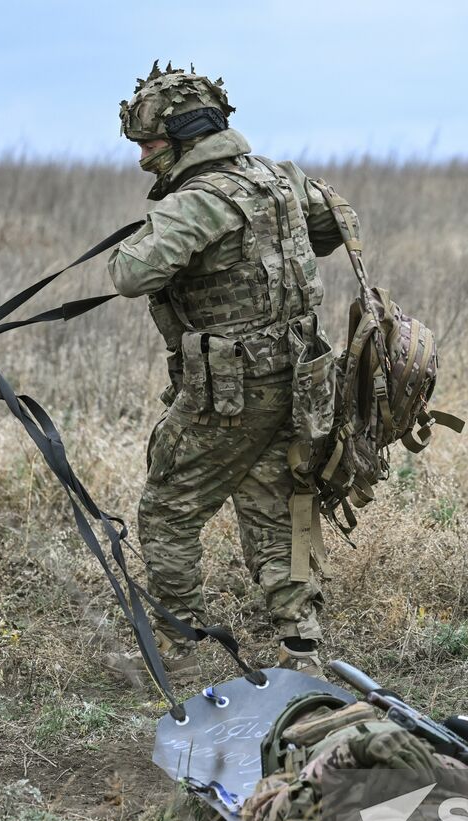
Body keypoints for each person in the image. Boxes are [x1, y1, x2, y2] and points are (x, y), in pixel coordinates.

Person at [106, 64, 359, 680]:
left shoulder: (197, 201)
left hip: (231, 389)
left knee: (168, 506)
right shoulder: (279, 179)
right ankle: (301, 647)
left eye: (149, 144)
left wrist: (166, 233)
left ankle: (179, 647)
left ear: (184, 135)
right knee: (282, 505)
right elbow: (336, 223)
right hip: (302, 381)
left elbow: (129, 274)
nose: (143, 159)